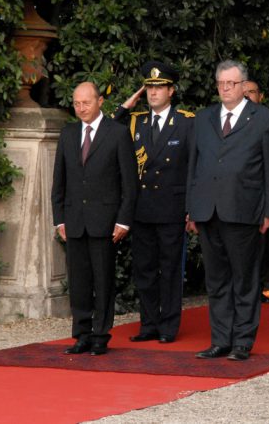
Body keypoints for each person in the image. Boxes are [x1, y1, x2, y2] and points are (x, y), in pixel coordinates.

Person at [186, 60, 269, 361]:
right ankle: (220, 340)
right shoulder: (203, 119)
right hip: (208, 211)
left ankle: (242, 340)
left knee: (244, 279)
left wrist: (268, 212)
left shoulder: (263, 118)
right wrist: (191, 209)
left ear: (243, 85)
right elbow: (194, 166)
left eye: (231, 83)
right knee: (216, 281)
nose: (225, 88)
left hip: (245, 210)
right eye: (221, 83)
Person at [51, 81, 137, 356]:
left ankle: (101, 334)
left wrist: (123, 220)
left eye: (86, 102)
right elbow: (59, 181)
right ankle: (82, 334)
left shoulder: (118, 133)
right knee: (79, 282)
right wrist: (59, 219)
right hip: (74, 220)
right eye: (76, 103)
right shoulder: (68, 134)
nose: (81, 108)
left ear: (100, 101)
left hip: (105, 220)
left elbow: (129, 182)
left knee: (103, 280)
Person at [112, 61, 194, 344]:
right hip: (142, 208)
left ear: (171, 90)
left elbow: (195, 166)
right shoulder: (136, 120)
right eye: (149, 87)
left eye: (159, 87)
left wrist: (191, 207)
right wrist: (126, 105)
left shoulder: (186, 121)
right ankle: (149, 324)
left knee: (170, 269)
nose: (153, 92)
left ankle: (169, 327)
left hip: (172, 207)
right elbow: (108, 130)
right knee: (144, 270)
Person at [242, 77, 269, 304]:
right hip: (237, 199)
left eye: (252, 92)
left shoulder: (268, 121)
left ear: (261, 96)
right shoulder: (227, 122)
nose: (247, 96)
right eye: (243, 91)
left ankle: (257, 289)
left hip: (262, 198)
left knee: (261, 248)